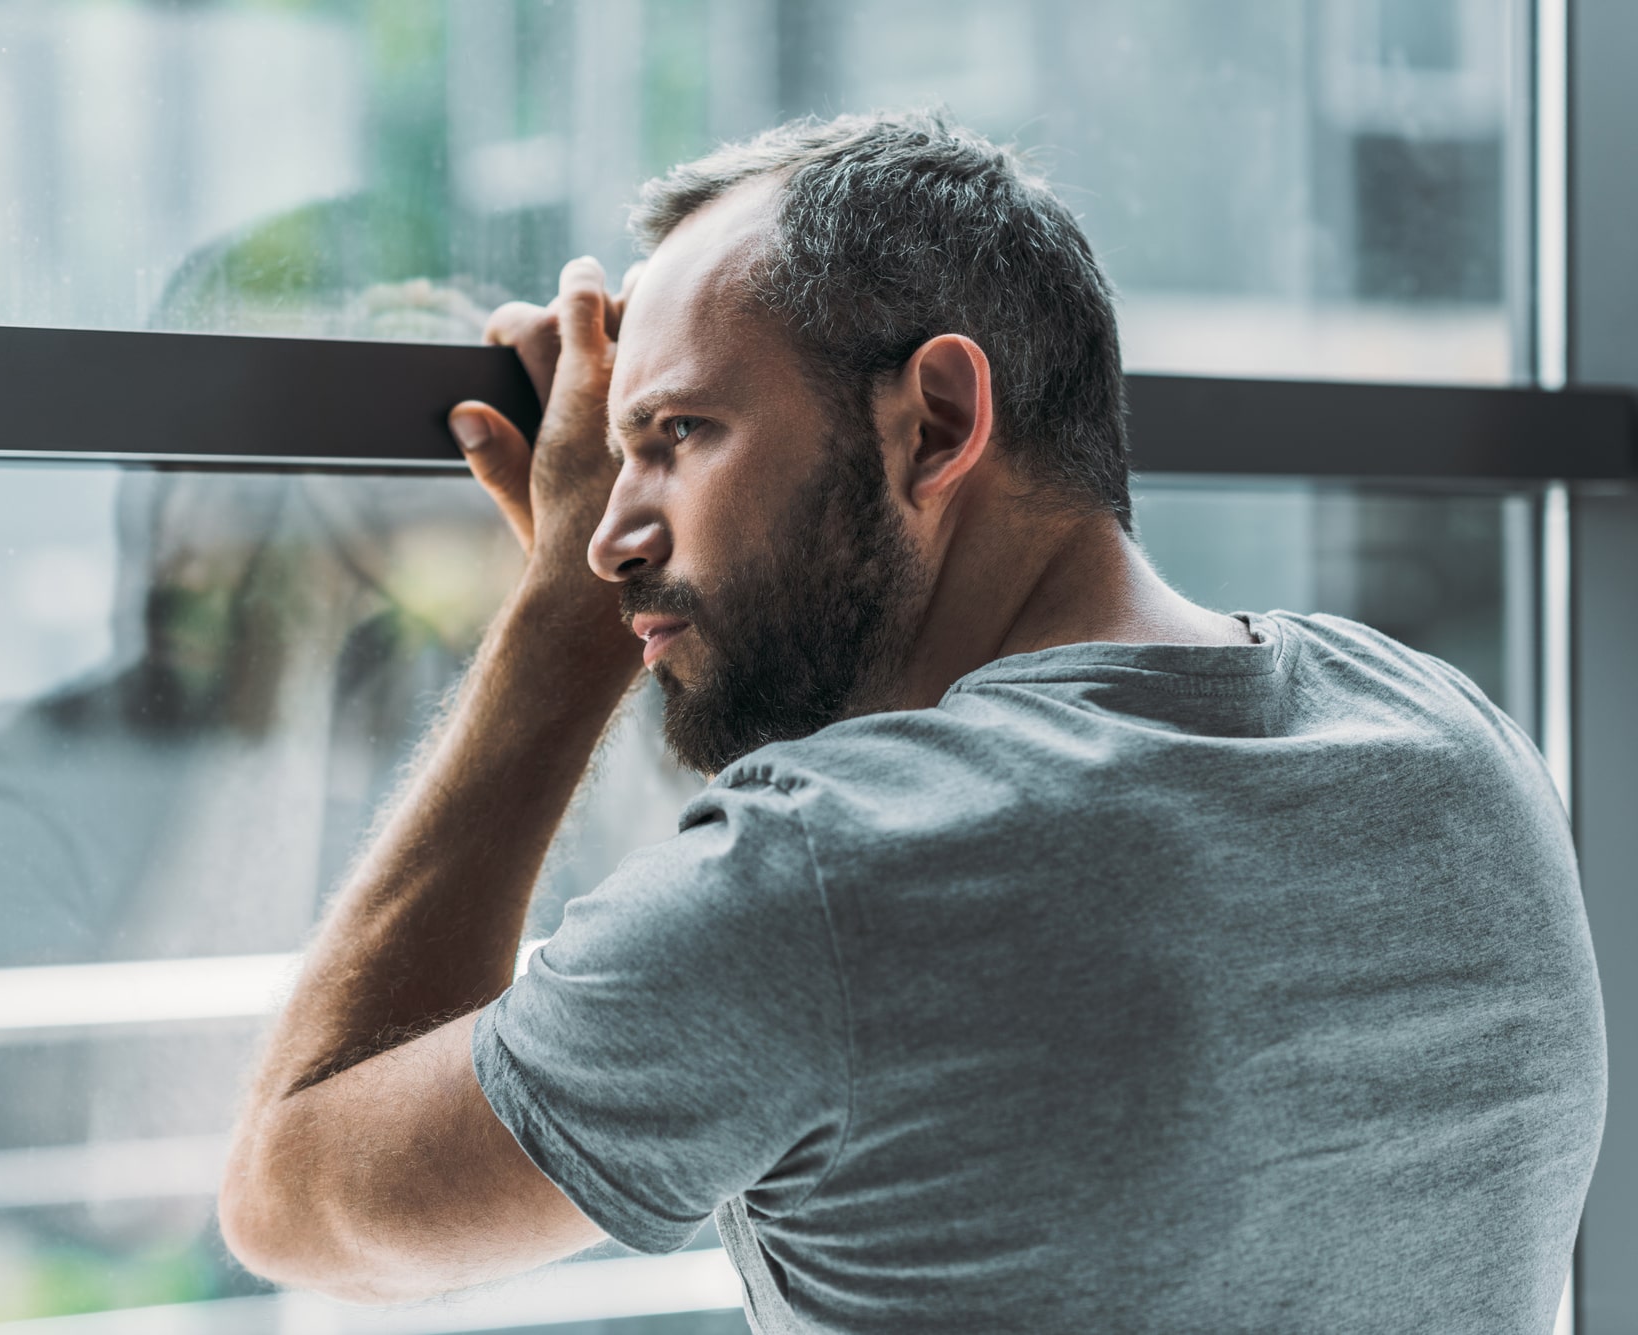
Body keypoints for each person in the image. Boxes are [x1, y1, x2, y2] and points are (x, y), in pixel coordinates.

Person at [217, 112, 1605, 1333]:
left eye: (676, 438)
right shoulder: (1451, 743)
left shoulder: (828, 875)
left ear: (936, 422)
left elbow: (296, 1199)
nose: (608, 532)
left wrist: (559, 641)